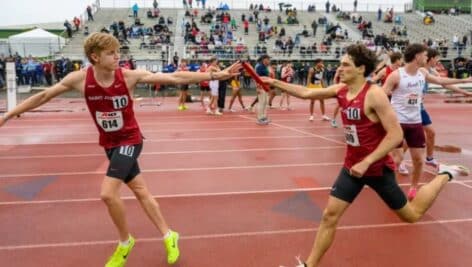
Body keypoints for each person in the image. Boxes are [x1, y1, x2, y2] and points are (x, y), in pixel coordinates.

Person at [0, 33, 240, 267]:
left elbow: (175, 78)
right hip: (109, 143)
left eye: (118, 52)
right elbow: (44, 95)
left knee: (107, 193)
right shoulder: (79, 79)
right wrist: (10, 113)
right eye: (111, 53)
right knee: (140, 190)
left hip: (130, 140)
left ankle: (125, 242)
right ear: (95, 57)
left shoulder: (127, 76)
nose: (117, 57)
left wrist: (215, 74)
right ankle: (169, 235)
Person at [260, 44, 469, 267]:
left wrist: (368, 160)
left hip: (378, 169)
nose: (340, 68)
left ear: (360, 68)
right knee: (330, 216)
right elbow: (307, 92)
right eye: (340, 64)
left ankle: (445, 174)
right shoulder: (340, 89)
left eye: (345, 65)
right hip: (352, 167)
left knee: (411, 215)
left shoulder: (375, 95)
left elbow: (396, 134)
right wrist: (274, 83)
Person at [382, 43, 472, 200]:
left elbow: (440, 81)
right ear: (417, 56)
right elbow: (381, 96)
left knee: (418, 160)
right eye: (424, 55)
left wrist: (464, 82)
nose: (427, 57)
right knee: (396, 159)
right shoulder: (396, 75)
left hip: (416, 123)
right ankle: (386, 184)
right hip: (398, 123)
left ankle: (414, 187)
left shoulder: (422, 72)